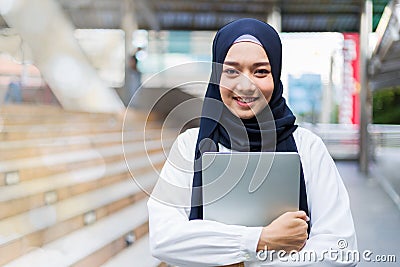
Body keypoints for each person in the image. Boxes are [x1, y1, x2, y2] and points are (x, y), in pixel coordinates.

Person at [147, 18, 357, 266]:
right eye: (232, 71)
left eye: (260, 71)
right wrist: (259, 241)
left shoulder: (307, 147)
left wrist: (237, 260)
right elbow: (164, 238)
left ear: (276, 75)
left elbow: (342, 249)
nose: (246, 85)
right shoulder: (190, 145)